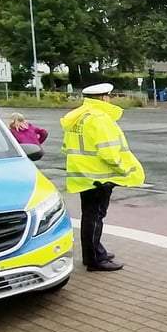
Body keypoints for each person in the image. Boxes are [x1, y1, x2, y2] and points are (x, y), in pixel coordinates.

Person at [60, 83, 145, 271]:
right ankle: (95, 259)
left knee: (90, 215)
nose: (110, 99)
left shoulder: (77, 116)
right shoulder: (99, 118)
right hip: (99, 176)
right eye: (108, 96)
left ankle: (93, 252)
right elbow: (109, 152)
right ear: (102, 98)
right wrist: (123, 168)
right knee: (95, 217)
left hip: (82, 175)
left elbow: (66, 147)